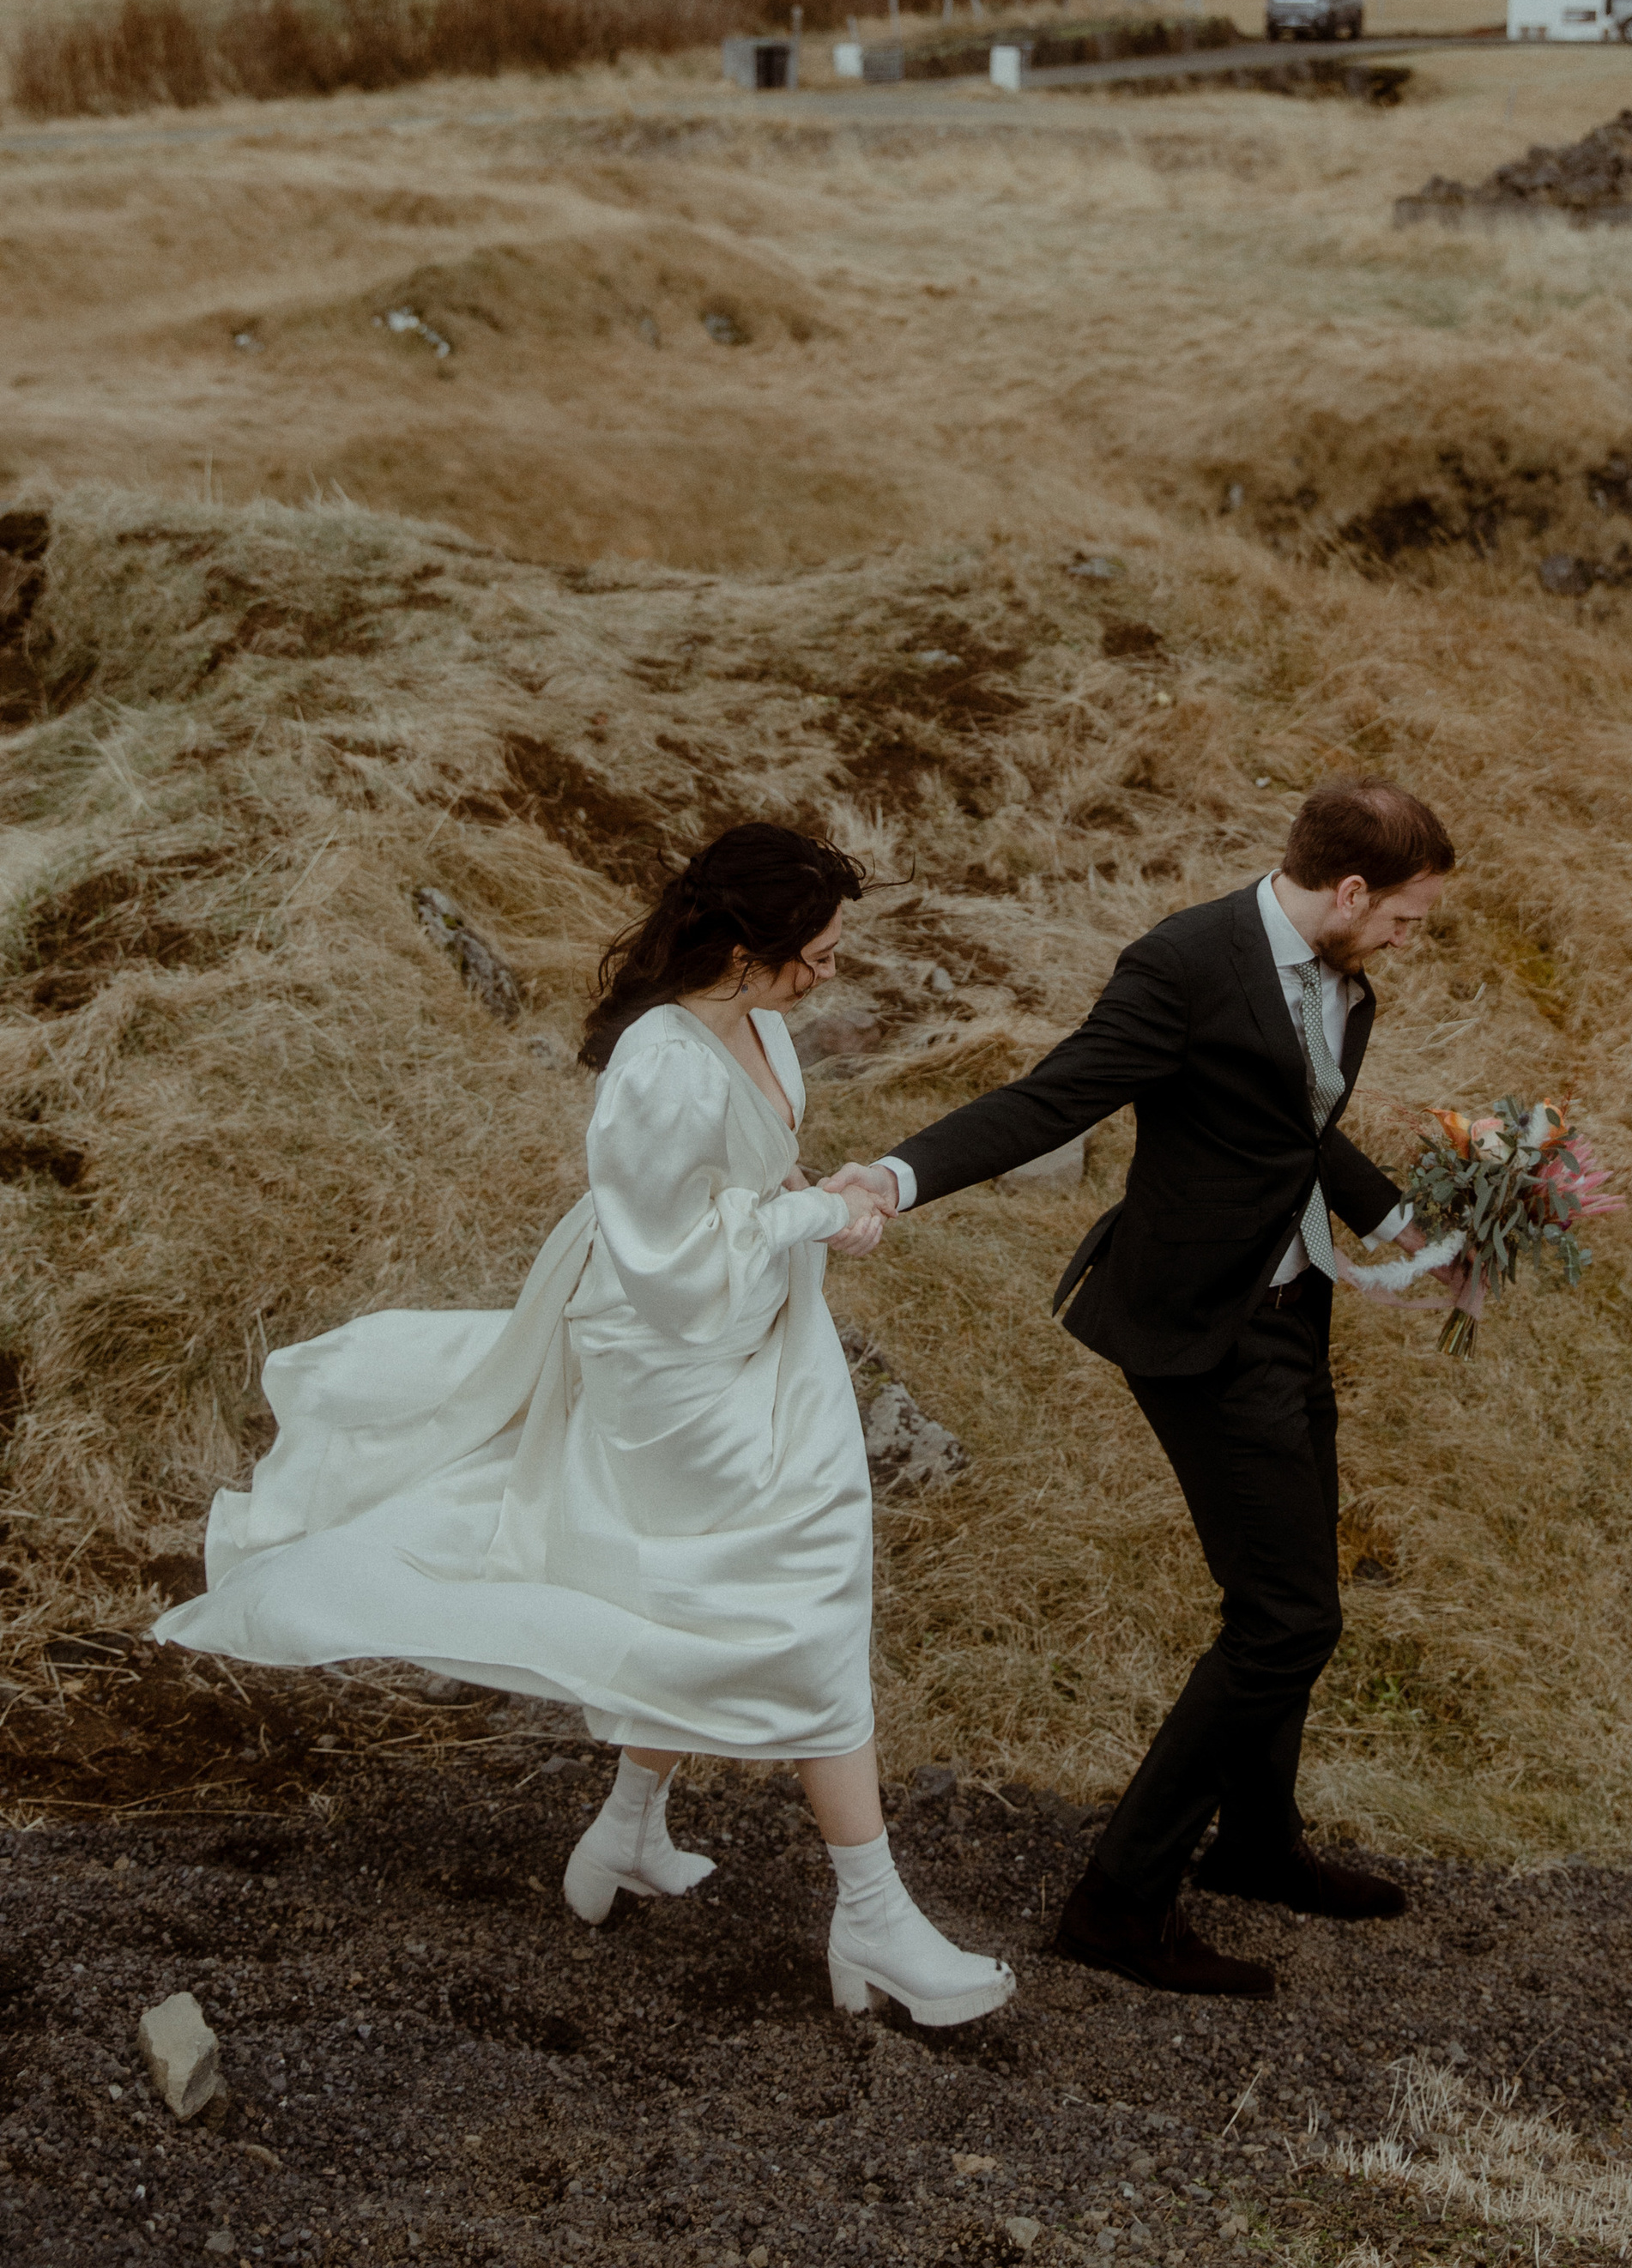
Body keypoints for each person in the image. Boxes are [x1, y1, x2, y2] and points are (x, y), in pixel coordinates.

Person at [154, 822, 1013, 2030]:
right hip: (672, 1365)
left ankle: (624, 1833)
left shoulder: (755, 1019)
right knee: (798, 1600)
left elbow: (742, 1190)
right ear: (737, 950)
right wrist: (811, 1218)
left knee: (710, 1594)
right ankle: (872, 1914)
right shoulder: (659, 1065)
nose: (827, 978)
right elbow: (666, 1260)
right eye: (811, 957)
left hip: (765, 1331)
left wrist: (806, 1208)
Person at [838, 776, 1459, 2000]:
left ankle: (1260, 1848)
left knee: (1288, 1592)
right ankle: (1119, 1906)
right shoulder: (1185, 962)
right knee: (1287, 1622)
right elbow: (1057, 1094)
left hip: (1290, 1313)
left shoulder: (1339, 980)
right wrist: (896, 1179)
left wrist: (1418, 1220)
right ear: (1349, 891)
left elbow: (1293, 1120)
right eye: (1407, 916)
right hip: (1198, 1328)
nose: (1409, 937)